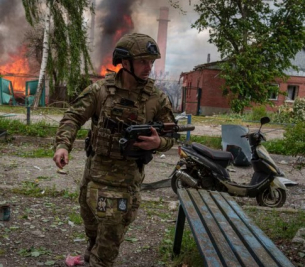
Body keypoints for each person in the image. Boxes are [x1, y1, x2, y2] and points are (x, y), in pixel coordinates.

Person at [53, 33, 176, 267]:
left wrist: (158, 143)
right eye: (143, 61)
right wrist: (62, 145)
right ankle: (90, 256)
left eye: (151, 62)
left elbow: (171, 135)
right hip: (94, 175)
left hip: (125, 182)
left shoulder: (156, 99)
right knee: (92, 228)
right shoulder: (101, 90)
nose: (149, 67)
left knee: (108, 244)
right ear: (125, 62)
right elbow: (73, 117)